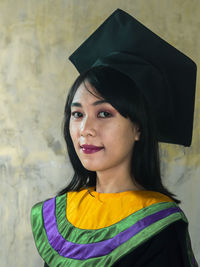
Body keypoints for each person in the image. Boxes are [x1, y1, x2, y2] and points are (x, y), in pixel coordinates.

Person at [31, 9, 198, 266]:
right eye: (77, 113)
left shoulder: (159, 225)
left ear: (138, 128)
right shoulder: (63, 217)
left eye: (104, 113)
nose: (86, 129)